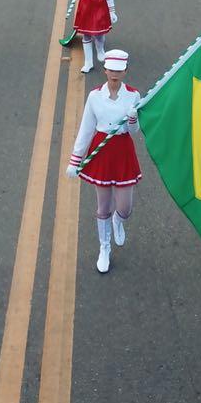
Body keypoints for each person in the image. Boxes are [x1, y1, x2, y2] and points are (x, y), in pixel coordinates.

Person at [64, 48, 142, 274]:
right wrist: (74, 160)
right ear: (105, 70)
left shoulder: (134, 96)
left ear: (126, 71)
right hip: (102, 152)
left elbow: (135, 131)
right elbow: (86, 129)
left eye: (119, 70)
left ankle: (119, 221)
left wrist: (133, 120)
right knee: (103, 206)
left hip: (123, 150)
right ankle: (104, 247)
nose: (114, 74)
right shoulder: (95, 96)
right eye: (111, 70)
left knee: (125, 208)